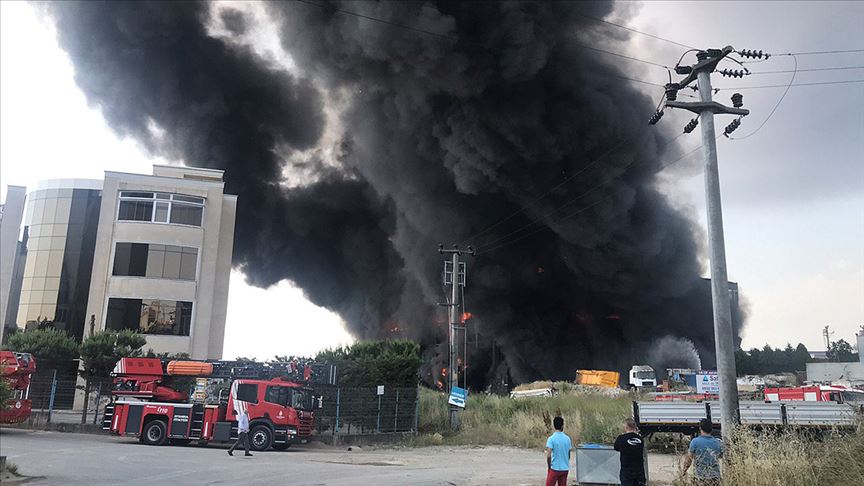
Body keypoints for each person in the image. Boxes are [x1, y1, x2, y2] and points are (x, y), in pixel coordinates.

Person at [681, 418, 723, 485]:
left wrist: (684, 471)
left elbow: (689, 459)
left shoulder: (695, 442)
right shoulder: (718, 443)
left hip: (700, 477)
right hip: (715, 477)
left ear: (700, 428)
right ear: (711, 429)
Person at [614, 418, 646, 486]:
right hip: (639, 471)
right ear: (635, 427)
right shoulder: (640, 439)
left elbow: (616, 447)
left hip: (627, 472)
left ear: (626, 427)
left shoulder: (621, 438)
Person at [544, 416, 572, 486]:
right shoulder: (567, 439)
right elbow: (568, 455)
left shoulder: (551, 439)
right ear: (562, 426)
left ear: (554, 426)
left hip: (555, 468)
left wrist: (549, 467)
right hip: (564, 468)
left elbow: (548, 455)